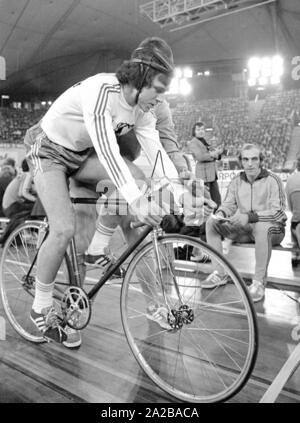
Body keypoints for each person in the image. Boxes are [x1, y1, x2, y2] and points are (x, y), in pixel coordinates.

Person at [24, 37, 204, 348]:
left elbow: (156, 152)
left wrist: (180, 192)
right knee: (64, 227)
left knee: (137, 177)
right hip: (49, 151)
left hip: (79, 156)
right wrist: (136, 201)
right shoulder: (101, 89)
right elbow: (107, 150)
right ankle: (41, 305)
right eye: (159, 90)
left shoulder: (143, 110)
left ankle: (98, 247)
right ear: (142, 78)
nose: (161, 99)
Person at [204, 143, 287, 303]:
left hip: (273, 231)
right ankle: (219, 273)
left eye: (254, 159)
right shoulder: (236, 181)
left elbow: (279, 213)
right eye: (246, 159)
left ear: (260, 161)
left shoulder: (273, 180)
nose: (250, 163)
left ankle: (258, 283)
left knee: (263, 227)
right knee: (211, 223)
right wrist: (220, 214)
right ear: (241, 161)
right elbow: (228, 204)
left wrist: (250, 217)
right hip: (245, 230)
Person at [0, 158, 36, 245]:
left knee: (32, 208)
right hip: (11, 206)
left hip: (8, 206)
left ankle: (13, 238)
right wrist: (35, 199)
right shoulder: (26, 175)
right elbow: (22, 193)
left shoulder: (22, 175)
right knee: (35, 208)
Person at [189, 121, 223, 208]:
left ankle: (218, 216)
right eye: (198, 129)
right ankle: (209, 218)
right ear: (194, 131)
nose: (201, 131)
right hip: (204, 175)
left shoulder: (205, 141)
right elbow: (200, 157)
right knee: (207, 199)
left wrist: (218, 154)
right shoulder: (193, 142)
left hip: (211, 174)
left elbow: (213, 153)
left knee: (216, 198)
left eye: (202, 129)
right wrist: (214, 154)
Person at [285, 157, 300, 266]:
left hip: (296, 223)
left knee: (294, 221)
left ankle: (295, 255)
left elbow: (290, 207)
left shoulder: (291, 179)